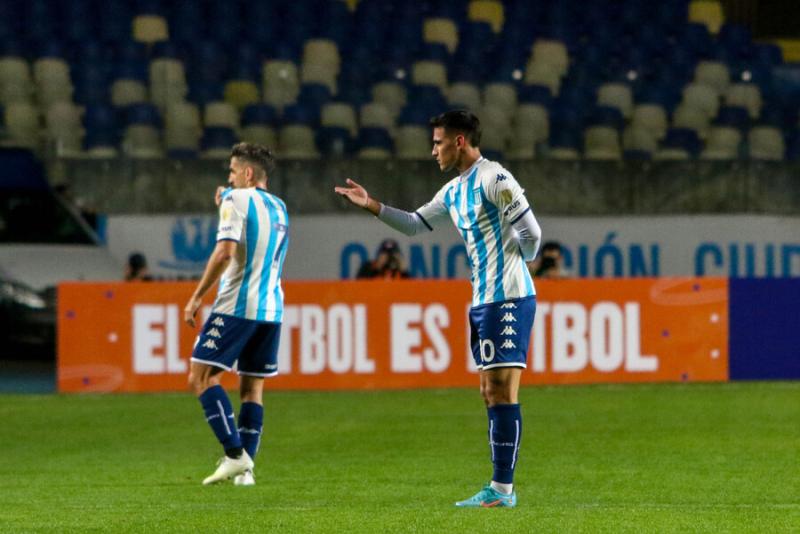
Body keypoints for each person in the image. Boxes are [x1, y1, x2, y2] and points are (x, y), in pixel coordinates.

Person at [335, 110, 542, 508]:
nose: (433, 151)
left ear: (459, 141)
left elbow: (531, 233)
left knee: (502, 389)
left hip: (509, 296)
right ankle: (499, 488)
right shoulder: (453, 191)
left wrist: (520, 259)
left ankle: (503, 491)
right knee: (488, 390)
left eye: (438, 142)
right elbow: (414, 223)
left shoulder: (495, 178)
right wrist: (371, 205)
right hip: (482, 300)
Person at [183, 142, 288, 486]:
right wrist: (226, 201)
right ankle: (247, 471)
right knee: (252, 389)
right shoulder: (281, 207)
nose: (227, 179)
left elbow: (225, 252)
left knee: (201, 378)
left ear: (246, 173)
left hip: (236, 305)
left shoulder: (235, 199)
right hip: (271, 308)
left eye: (231, 172)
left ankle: (233, 454)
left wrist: (197, 297)